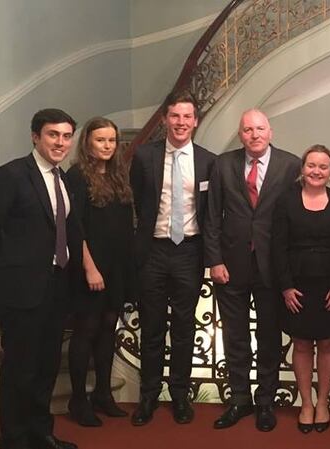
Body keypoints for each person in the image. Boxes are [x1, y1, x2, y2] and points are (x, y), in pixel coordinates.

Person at [0, 108, 81, 449]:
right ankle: (14, 438)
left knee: (46, 366)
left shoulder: (63, 178)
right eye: (53, 134)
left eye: (66, 136)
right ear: (35, 136)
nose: (60, 142)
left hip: (54, 287)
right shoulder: (12, 175)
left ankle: (40, 431)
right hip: (19, 291)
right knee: (20, 367)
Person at [204, 109, 301, 432]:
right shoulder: (222, 164)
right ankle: (239, 400)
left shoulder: (290, 165)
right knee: (235, 337)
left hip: (272, 268)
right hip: (230, 267)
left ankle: (265, 402)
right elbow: (212, 217)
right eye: (248, 129)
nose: (254, 135)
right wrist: (214, 260)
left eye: (260, 129)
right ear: (240, 134)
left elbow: (296, 216)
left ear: (270, 132)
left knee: (269, 337)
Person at [129, 91, 216, 426]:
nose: (181, 123)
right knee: (151, 328)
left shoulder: (209, 161)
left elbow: (211, 211)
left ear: (195, 121)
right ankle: (148, 396)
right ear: (165, 119)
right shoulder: (144, 157)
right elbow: (137, 201)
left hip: (189, 252)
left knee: (184, 327)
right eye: (175, 116)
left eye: (187, 117)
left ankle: (180, 395)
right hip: (153, 250)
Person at [271, 144, 330, 433]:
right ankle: (306, 403)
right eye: (311, 165)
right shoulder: (285, 201)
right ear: (302, 169)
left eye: (323, 167)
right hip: (297, 286)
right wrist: (286, 287)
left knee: (328, 343)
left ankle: (322, 402)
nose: (316, 171)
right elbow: (277, 247)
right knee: (302, 343)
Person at [66, 117, 135, 427]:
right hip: (90, 269)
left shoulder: (119, 174)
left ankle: (103, 394)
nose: (107, 146)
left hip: (117, 267)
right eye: (100, 140)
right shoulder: (77, 176)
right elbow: (74, 228)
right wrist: (90, 268)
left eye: (111, 140)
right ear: (87, 143)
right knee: (86, 332)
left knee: (109, 329)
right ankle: (78, 400)